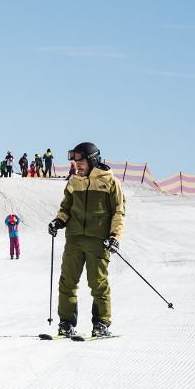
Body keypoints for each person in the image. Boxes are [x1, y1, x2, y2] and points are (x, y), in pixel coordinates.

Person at [47, 142, 126, 338]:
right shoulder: (74, 182)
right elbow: (65, 209)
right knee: (67, 282)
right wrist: (58, 221)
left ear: (92, 160)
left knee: (97, 283)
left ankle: (101, 324)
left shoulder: (110, 182)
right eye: (75, 162)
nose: (77, 166)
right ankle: (66, 323)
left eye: (80, 161)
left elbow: (118, 212)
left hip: (98, 240)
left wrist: (114, 237)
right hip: (74, 239)